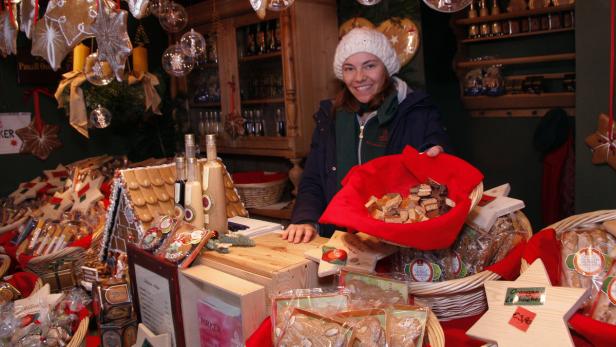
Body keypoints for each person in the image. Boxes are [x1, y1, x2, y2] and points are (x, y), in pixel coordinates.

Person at [282, 28, 450, 243]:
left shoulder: (417, 112)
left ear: (386, 68)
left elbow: (437, 152)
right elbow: (313, 178)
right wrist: (305, 218)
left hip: (396, 240)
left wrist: (435, 154)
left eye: (369, 66)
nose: (359, 78)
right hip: (338, 238)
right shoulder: (330, 118)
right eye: (349, 69)